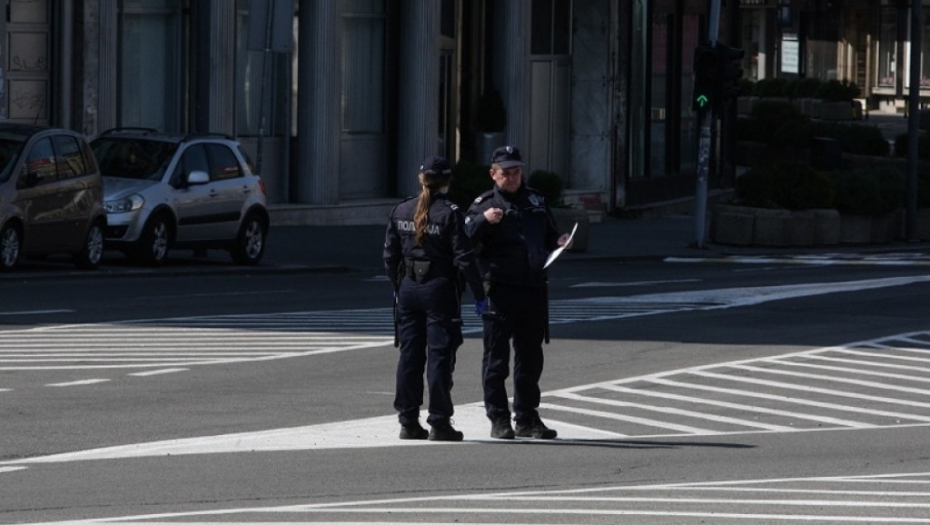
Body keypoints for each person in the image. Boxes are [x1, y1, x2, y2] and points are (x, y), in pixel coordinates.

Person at [465, 145, 572, 440]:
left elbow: (550, 233)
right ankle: (498, 418)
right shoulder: (484, 204)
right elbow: (464, 241)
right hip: (499, 289)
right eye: (506, 173)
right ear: (493, 173)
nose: (512, 178)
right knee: (496, 358)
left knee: (530, 356)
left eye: (517, 171)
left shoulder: (535, 199)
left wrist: (560, 240)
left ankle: (526, 417)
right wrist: (483, 220)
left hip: (533, 287)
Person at [383, 156, 486, 442]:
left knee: (409, 356)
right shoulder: (451, 213)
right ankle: (439, 422)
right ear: (447, 180)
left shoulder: (401, 209)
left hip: (408, 289)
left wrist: (398, 285)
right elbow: (465, 258)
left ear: (421, 180)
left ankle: (408, 421)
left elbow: (389, 256)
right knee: (440, 355)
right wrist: (480, 295)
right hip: (439, 289)